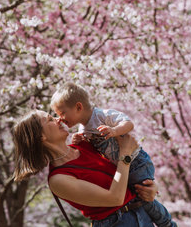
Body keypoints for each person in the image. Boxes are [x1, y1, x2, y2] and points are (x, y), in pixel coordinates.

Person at [50, 82, 177, 227]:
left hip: (136, 161)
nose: (59, 118)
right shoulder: (82, 129)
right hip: (123, 166)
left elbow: (128, 124)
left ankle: (166, 223)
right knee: (142, 196)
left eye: (62, 113)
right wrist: (79, 139)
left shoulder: (103, 115)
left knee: (145, 196)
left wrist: (115, 131)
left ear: (79, 107)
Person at [12, 110, 160, 226]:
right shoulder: (59, 179)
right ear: (40, 137)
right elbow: (115, 198)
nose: (58, 118)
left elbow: (122, 175)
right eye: (50, 120)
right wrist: (125, 155)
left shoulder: (84, 145)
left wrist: (149, 187)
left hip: (142, 213)